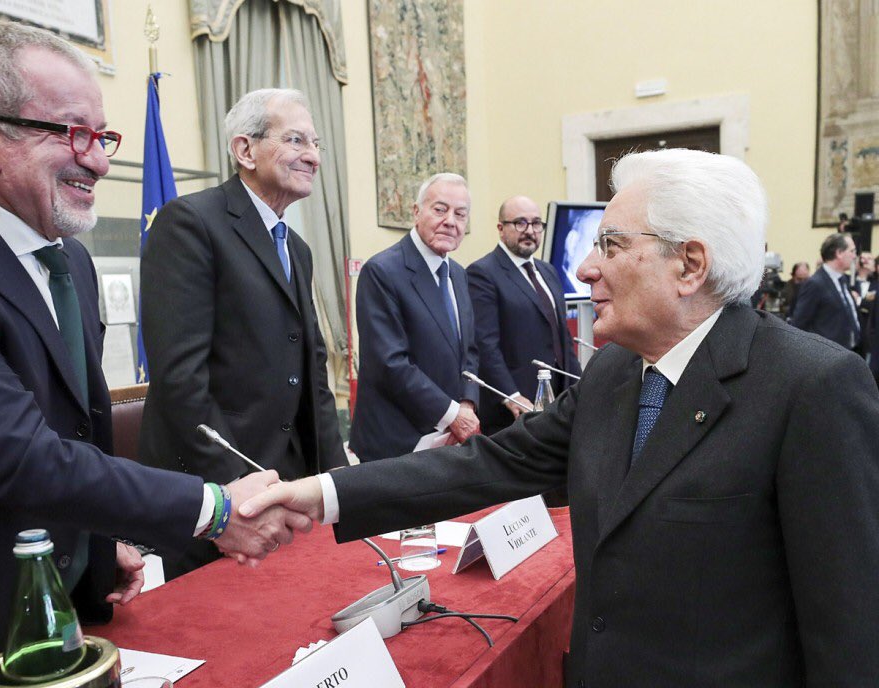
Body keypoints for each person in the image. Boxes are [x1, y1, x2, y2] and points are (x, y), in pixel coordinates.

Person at [243, 149, 879, 686]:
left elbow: (849, 631)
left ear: (688, 265)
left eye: (610, 243)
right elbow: (489, 464)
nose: (584, 267)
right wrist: (320, 493)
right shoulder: (613, 373)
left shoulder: (813, 388)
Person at [0, 24, 307, 687]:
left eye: (102, 136)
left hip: (63, 610)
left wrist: (95, 548)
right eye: (72, 134)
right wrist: (213, 509)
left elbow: (73, 429)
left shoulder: (69, 258)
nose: (97, 160)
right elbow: (22, 459)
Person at [138, 88, 346, 577]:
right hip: (216, 494)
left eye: (316, 143)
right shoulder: (189, 223)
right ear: (244, 150)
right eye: (295, 140)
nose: (313, 156)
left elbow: (311, 362)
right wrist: (240, 491)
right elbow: (180, 376)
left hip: (287, 484)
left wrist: (334, 469)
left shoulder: (295, 245)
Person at [349, 173, 480, 462]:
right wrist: (451, 413)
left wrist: (467, 403)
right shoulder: (382, 271)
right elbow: (390, 362)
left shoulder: (458, 274)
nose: (450, 221)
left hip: (446, 436)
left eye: (460, 214)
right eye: (440, 209)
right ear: (415, 212)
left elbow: (468, 349)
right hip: (396, 440)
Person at [467, 195, 580, 434]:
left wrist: (580, 386)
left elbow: (562, 338)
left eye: (536, 223)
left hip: (559, 399)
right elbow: (485, 344)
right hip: (514, 408)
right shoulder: (482, 273)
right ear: (500, 228)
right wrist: (511, 394)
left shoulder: (548, 271)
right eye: (520, 223)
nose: (530, 230)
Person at [790, 233, 861, 350]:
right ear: (839, 253)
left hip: (849, 353)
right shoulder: (815, 283)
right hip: (827, 356)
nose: (854, 256)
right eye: (852, 251)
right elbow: (799, 324)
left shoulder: (842, 279)